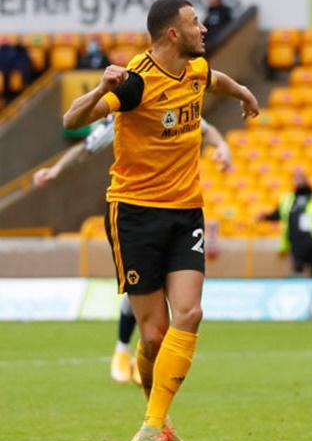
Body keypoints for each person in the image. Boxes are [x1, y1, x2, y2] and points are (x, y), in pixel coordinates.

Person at [62, 0, 260, 441]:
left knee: (189, 313)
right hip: (135, 215)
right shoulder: (135, 83)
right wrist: (97, 89)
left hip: (186, 211)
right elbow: (72, 119)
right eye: (196, 24)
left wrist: (246, 95)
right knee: (154, 335)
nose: (204, 30)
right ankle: (158, 419)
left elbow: (220, 80)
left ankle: (152, 427)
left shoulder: (195, 70)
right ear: (173, 33)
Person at [32, 113, 232, 384]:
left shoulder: (182, 96)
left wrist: (222, 146)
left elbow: (207, 129)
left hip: (179, 212)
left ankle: (146, 367)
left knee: (182, 304)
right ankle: (124, 349)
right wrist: (56, 170)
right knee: (143, 294)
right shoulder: (127, 111)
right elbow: (86, 146)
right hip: (138, 218)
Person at [260, 168, 312, 278]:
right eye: (296, 178)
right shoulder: (288, 199)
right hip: (296, 240)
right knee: (297, 269)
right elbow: (278, 214)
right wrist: (265, 217)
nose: (298, 181)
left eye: (301, 178)